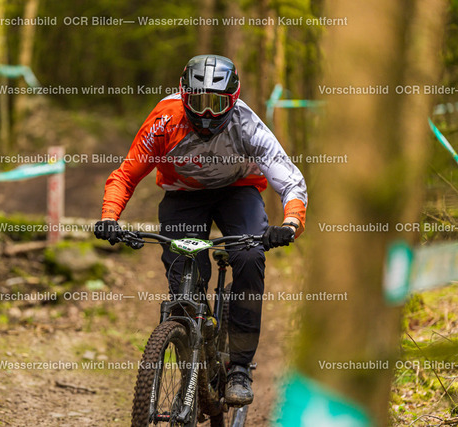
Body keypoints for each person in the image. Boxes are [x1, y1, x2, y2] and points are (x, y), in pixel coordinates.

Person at [94, 54, 307, 406]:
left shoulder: (247, 125)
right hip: (184, 195)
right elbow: (125, 175)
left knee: (249, 257)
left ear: (233, 100)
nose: (207, 114)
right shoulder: (163, 121)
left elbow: (290, 180)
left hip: (238, 192)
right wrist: (109, 218)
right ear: (183, 95)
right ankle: (191, 362)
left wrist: (290, 223)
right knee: (184, 280)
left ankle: (239, 368)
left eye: (217, 104)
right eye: (197, 102)